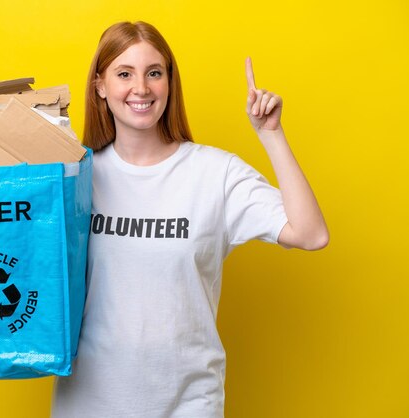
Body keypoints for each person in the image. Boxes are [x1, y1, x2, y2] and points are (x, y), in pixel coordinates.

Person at [51, 21, 328, 418]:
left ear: (169, 82)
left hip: (189, 404)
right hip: (89, 403)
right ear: (100, 85)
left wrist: (271, 134)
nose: (141, 88)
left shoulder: (215, 174)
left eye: (154, 73)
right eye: (124, 74)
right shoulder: (75, 178)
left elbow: (310, 233)